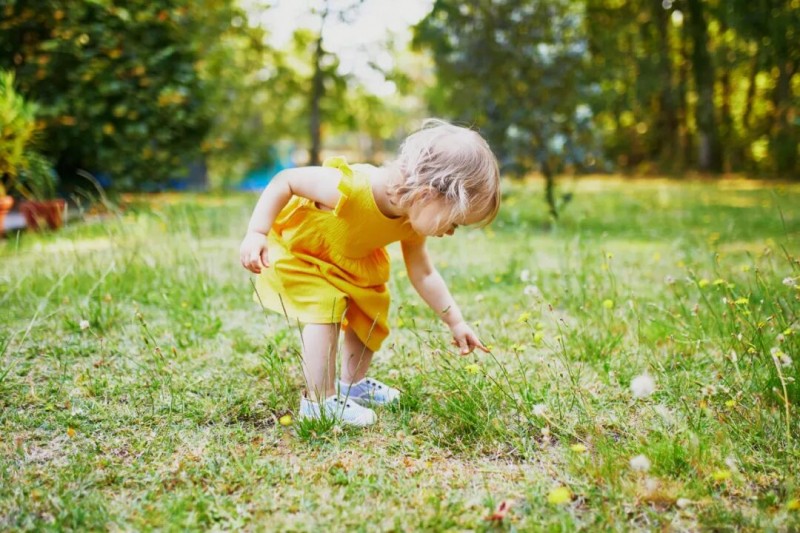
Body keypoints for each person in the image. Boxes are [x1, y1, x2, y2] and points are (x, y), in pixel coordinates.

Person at [239, 119, 501, 426]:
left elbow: (424, 273)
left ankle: (353, 385)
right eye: (454, 222)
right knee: (326, 309)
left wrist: (455, 321)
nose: (452, 232)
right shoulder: (351, 187)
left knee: (371, 310)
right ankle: (318, 402)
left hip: (349, 262)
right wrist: (257, 232)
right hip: (304, 254)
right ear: (426, 194)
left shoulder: (412, 220)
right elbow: (286, 180)